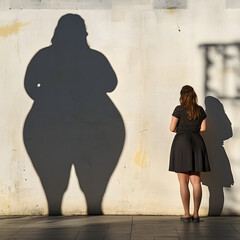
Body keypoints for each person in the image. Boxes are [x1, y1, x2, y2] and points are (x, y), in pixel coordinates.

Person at [169, 85, 210, 223]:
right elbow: (203, 128)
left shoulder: (179, 109)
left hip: (181, 143)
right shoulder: (200, 110)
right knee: (196, 181)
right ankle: (196, 214)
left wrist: (182, 130)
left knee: (183, 181)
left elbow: (172, 128)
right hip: (197, 142)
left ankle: (186, 214)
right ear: (194, 95)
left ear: (182, 95)